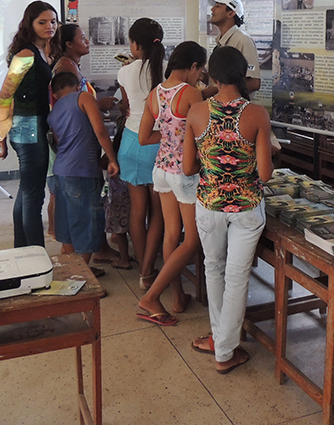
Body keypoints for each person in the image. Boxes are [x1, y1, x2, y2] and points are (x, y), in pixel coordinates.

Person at [184, 47, 274, 374]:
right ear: (242, 74)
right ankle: (224, 350)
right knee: (237, 277)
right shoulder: (257, 114)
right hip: (246, 208)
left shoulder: (196, 111)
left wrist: (214, 165)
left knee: (213, 268)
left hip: (209, 205)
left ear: (212, 76)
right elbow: (265, 174)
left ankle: (219, 341)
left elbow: (188, 167)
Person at [135, 41, 207, 326]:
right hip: (185, 173)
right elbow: (203, 134)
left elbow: (144, 137)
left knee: (171, 234)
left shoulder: (155, 93)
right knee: (192, 240)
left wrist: (169, 138)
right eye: (200, 71)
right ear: (193, 66)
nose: (199, 77)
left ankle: (178, 297)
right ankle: (151, 296)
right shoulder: (190, 93)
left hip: (161, 170)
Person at [0, 0, 60, 248]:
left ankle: (22, 251)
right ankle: (36, 255)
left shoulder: (40, 51)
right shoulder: (25, 55)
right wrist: (0, 134)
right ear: (30, 24)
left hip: (34, 125)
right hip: (27, 128)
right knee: (33, 196)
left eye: (53, 21)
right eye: (42, 22)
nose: (50, 26)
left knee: (27, 191)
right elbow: (4, 96)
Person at [50, 24, 123, 265]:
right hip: (83, 170)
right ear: (77, 84)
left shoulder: (54, 111)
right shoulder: (84, 97)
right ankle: (81, 273)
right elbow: (100, 130)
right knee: (88, 221)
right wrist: (111, 158)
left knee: (69, 222)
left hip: (61, 170)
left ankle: (69, 267)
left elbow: (59, 140)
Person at [117, 18, 165, 289]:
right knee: (158, 212)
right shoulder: (168, 71)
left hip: (130, 142)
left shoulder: (125, 72)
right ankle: (149, 268)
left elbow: (126, 106)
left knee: (138, 209)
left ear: (135, 45)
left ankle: (141, 264)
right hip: (157, 144)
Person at [203, 0, 260, 98]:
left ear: (231, 13)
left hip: (234, 107)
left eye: (218, 6)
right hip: (218, 105)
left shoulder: (243, 40)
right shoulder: (220, 42)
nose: (212, 9)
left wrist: (215, 91)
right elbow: (216, 80)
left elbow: (254, 83)